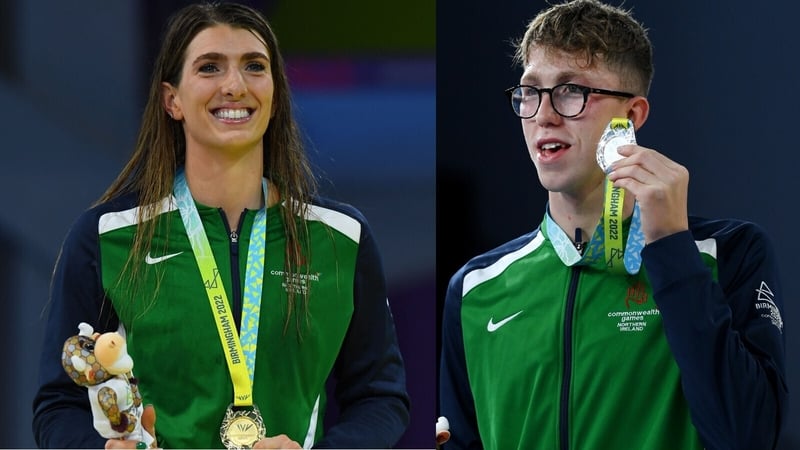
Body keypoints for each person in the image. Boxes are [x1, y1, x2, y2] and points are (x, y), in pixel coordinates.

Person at [32, 2, 410, 448]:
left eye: (254, 66)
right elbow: (57, 405)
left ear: (274, 94)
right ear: (173, 100)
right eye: (210, 67)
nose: (234, 85)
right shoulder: (108, 237)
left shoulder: (340, 237)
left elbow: (381, 399)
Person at [438, 1, 787, 449]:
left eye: (571, 91)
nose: (544, 114)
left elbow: (749, 436)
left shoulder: (729, 255)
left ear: (633, 116)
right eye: (530, 92)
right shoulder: (474, 288)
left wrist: (670, 247)